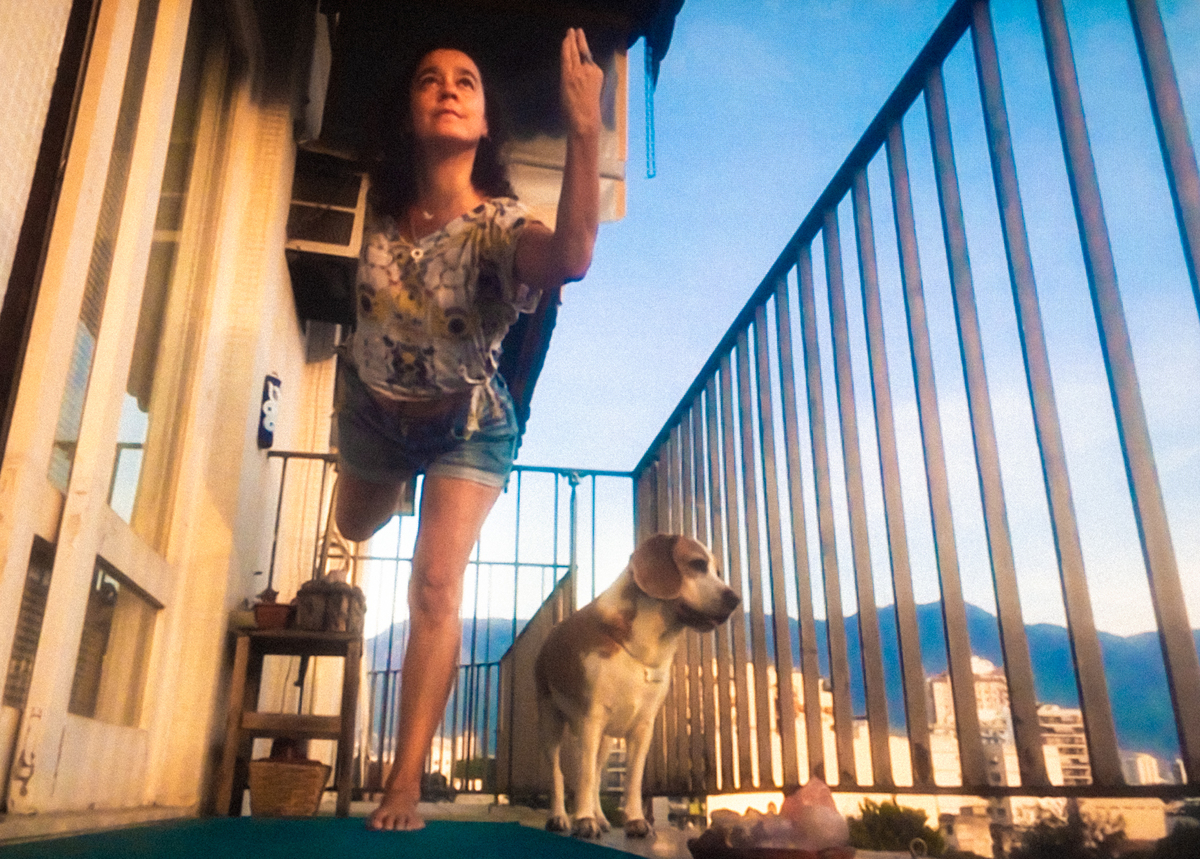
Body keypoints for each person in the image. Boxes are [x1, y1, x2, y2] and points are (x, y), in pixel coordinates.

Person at [333, 29, 603, 832]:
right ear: (409, 113)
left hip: (465, 425)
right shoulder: (378, 211)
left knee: (434, 585)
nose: (447, 88)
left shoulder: (498, 227)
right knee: (354, 525)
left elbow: (572, 256)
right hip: (373, 412)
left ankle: (403, 782)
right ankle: (397, 484)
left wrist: (585, 131)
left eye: (466, 82)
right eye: (429, 79)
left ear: (484, 123)